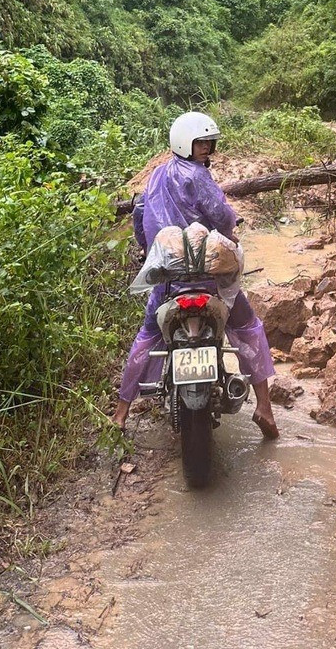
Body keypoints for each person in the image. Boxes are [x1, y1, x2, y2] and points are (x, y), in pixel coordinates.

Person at [113, 111, 279, 438]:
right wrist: (230, 229)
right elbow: (219, 214)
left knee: (148, 336)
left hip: (170, 280)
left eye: (208, 142)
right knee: (246, 325)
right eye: (200, 142)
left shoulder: (157, 176)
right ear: (185, 143)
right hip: (209, 278)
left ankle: (120, 413)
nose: (206, 148)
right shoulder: (199, 176)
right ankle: (264, 407)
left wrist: (147, 248)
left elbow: (141, 215)